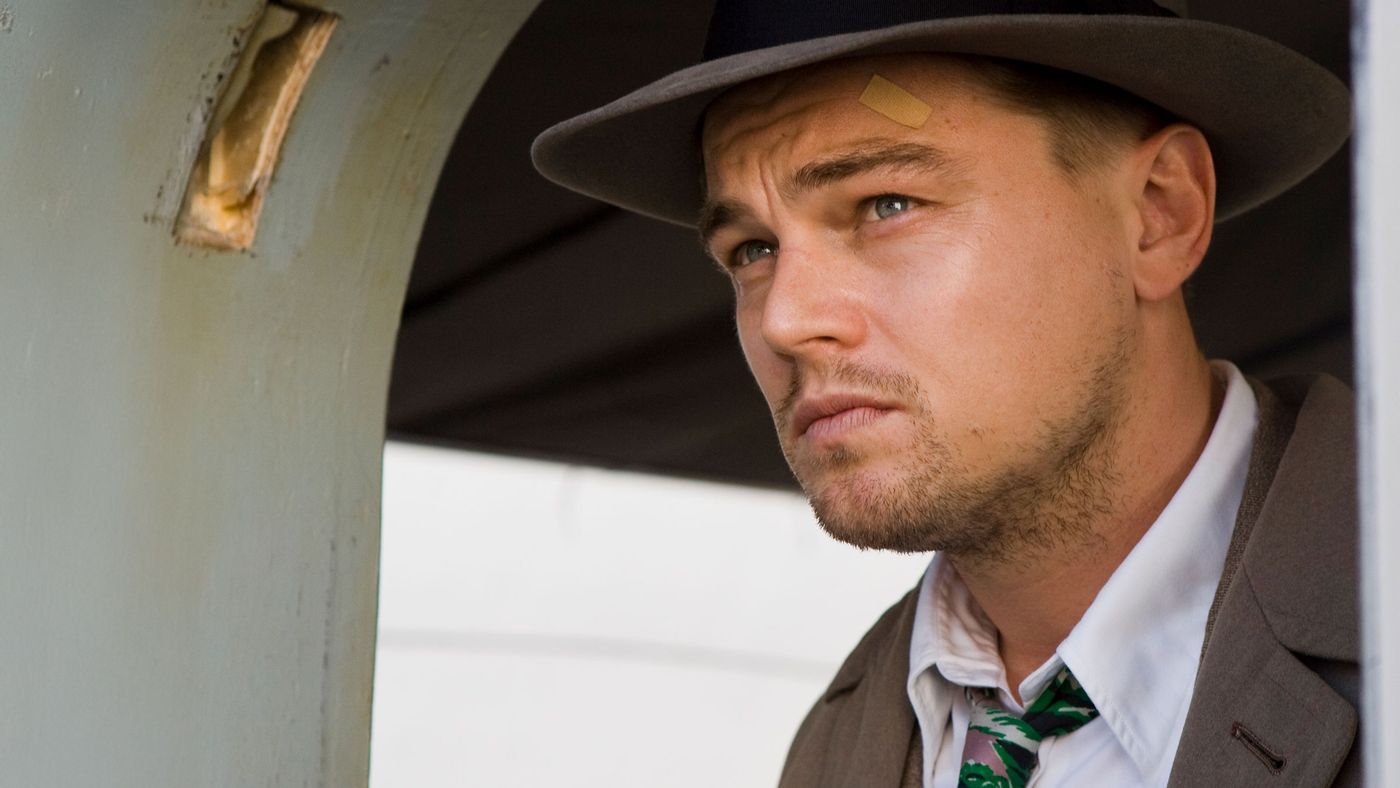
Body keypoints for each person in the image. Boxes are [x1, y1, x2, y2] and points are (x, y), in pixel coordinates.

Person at [533, 2, 1359, 786]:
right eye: (751, 250)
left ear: (1159, 213)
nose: (785, 319)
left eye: (886, 204)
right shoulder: (843, 739)